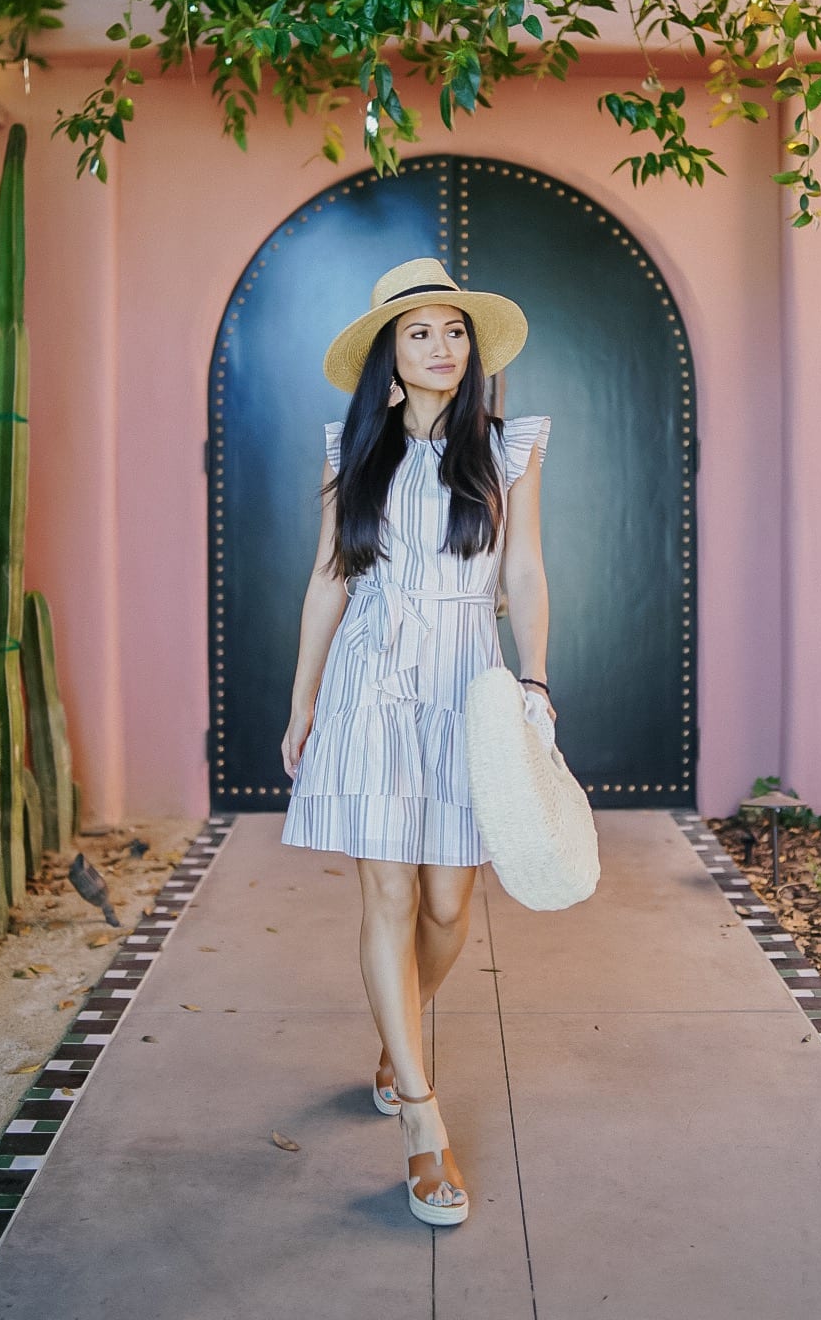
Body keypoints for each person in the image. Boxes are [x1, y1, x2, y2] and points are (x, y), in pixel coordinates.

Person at [280, 256, 553, 1228]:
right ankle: (421, 1122)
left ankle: (398, 1037)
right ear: (390, 356)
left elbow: (523, 571)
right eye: (418, 332)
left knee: (448, 902)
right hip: (371, 684)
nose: (441, 346)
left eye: (453, 330)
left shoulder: (507, 447)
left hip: (465, 684)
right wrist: (301, 700)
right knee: (387, 891)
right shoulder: (353, 449)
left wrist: (534, 681)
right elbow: (328, 579)